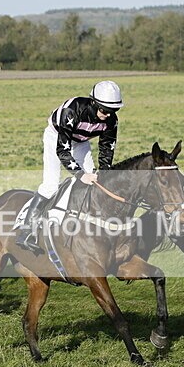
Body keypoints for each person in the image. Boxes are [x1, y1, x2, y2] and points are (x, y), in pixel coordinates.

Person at [16, 80, 123, 251]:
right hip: (56, 138)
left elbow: (106, 148)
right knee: (51, 185)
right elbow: (62, 150)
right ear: (94, 103)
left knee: (95, 181)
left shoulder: (111, 120)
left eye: (114, 111)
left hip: (81, 142)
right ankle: (26, 230)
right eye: (105, 110)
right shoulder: (72, 111)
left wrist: (104, 172)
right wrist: (80, 174)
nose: (109, 115)